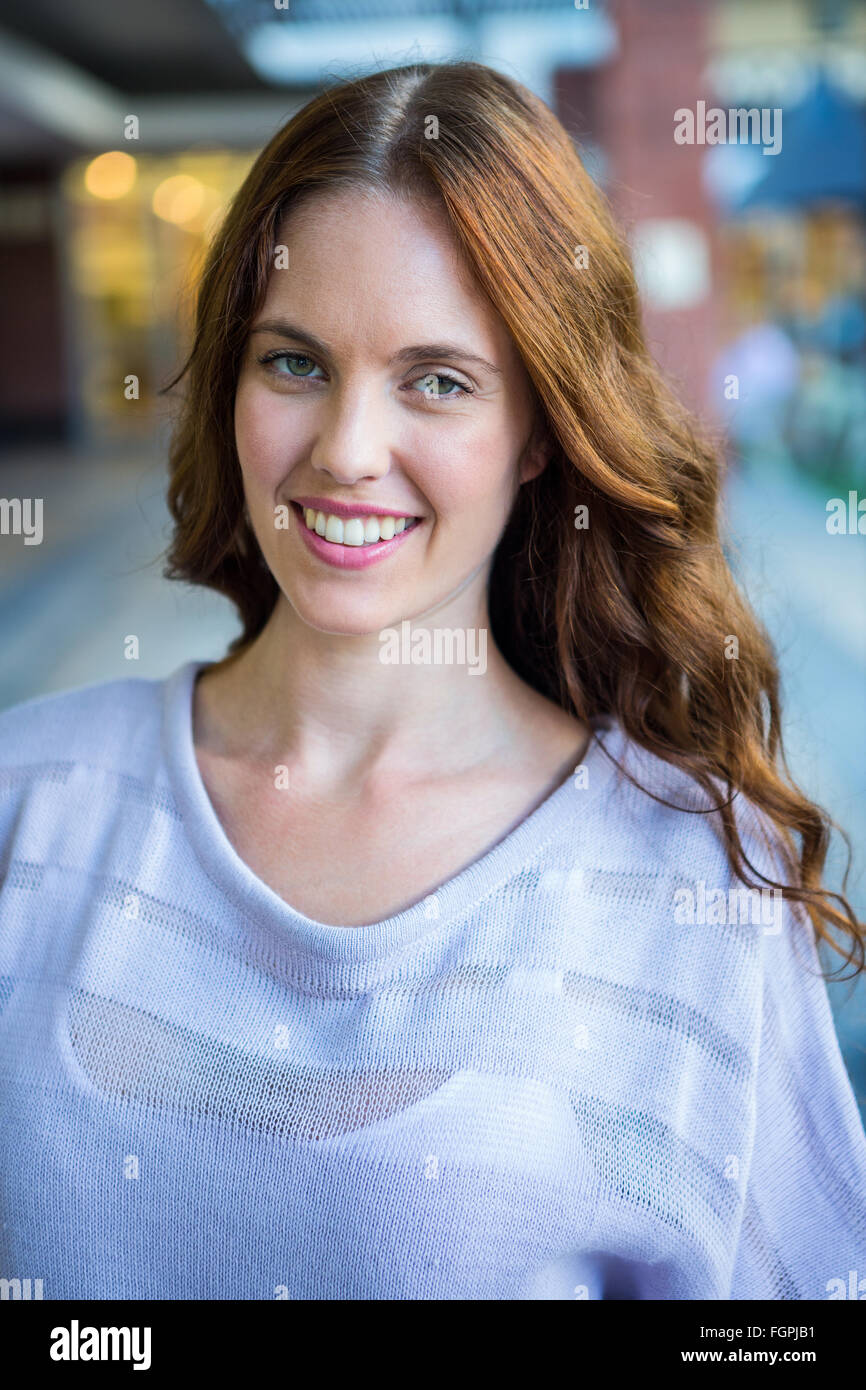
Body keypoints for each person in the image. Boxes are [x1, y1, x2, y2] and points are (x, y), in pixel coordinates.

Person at [0, 60, 864, 1302]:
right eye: (293, 363)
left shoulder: (691, 877)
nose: (346, 451)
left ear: (537, 432)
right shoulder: (28, 797)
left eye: (438, 380)